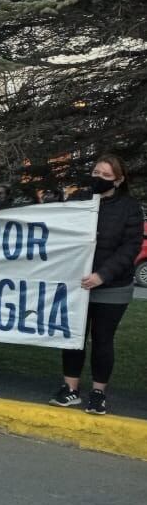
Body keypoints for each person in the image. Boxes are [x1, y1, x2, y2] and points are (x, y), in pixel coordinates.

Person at [50, 156, 142, 415]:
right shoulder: (79, 201)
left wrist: (102, 275)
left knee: (102, 339)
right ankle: (70, 389)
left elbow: (130, 248)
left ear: (119, 180)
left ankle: (98, 393)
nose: (98, 178)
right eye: (95, 172)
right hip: (77, 284)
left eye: (106, 175)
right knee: (73, 338)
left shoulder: (129, 208)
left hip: (111, 287)